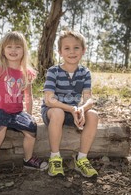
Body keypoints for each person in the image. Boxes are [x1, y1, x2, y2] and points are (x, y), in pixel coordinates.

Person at [0, 31, 48, 178]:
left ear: (24, 50)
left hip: (16, 112)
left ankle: (28, 159)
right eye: (9, 47)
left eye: (18, 47)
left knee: (31, 129)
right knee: (0, 126)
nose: (13, 50)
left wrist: (29, 115)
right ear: (3, 49)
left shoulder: (26, 73)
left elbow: (29, 96)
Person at [41, 30, 99, 178]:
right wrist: (72, 109)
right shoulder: (53, 71)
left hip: (73, 110)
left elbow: (89, 99)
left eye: (76, 48)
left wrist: (81, 108)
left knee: (92, 114)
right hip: (53, 111)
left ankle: (82, 159)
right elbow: (49, 100)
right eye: (67, 48)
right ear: (60, 52)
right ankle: (55, 157)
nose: (72, 52)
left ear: (83, 50)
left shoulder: (85, 73)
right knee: (58, 112)